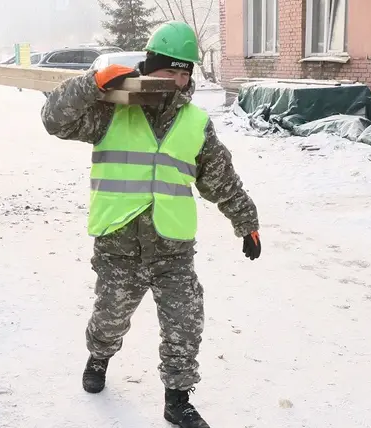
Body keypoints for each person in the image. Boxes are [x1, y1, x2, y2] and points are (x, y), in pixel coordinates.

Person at [40, 21, 262, 428]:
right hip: (118, 246)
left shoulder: (195, 123)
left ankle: (176, 399)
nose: (177, 80)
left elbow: (221, 179)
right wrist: (92, 82)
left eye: (185, 73)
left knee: (185, 322)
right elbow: (54, 120)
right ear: (148, 67)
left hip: (172, 247)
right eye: (169, 70)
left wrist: (246, 221)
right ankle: (99, 356)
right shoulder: (111, 112)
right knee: (110, 318)